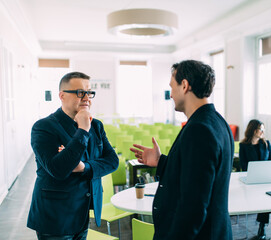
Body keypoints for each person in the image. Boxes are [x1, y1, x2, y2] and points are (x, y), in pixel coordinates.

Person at [130, 60, 234, 239]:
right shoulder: (218, 121)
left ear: (184, 85)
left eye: (172, 87)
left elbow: (193, 206)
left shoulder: (199, 129)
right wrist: (161, 161)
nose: (170, 94)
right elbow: (195, 175)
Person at [27, 72, 119, 240]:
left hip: (83, 214)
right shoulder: (43, 127)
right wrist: (83, 129)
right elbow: (58, 169)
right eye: (79, 92)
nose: (86, 98)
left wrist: (85, 167)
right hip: (55, 217)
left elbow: (112, 161)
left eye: (89, 92)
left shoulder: (96, 126)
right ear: (62, 96)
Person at [239, 119, 271, 240]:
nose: (263, 132)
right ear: (253, 130)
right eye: (261, 129)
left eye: (263, 129)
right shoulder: (244, 146)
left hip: (266, 179)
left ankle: (263, 226)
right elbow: (244, 166)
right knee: (267, 194)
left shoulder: (266, 144)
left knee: (269, 193)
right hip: (252, 180)